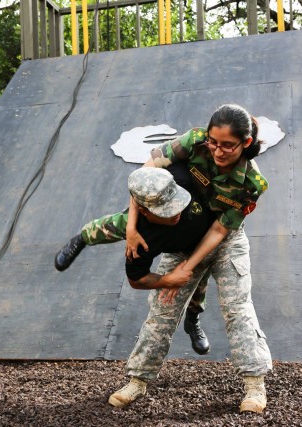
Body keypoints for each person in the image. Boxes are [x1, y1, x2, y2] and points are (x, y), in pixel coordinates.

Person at [109, 103, 272, 413]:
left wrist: (188, 266)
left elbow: (220, 229)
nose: (218, 151)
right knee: (163, 306)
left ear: (245, 143)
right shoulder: (193, 141)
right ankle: (137, 381)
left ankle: (254, 385)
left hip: (224, 242)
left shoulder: (253, 184)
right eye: (214, 142)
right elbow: (145, 178)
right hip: (184, 236)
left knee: (238, 308)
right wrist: (131, 227)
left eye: (228, 145)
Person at [55, 163, 214, 355]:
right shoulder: (141, 241)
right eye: (167, 211)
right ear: (144, 210)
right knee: (114, 225)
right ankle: (82, 237)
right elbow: (136, 279)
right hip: (155, 233)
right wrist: (167, 280)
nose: (176, 212)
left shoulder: (179, 178)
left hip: (199, 243)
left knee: (200, 281)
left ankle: (193, 319)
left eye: (176, 203)